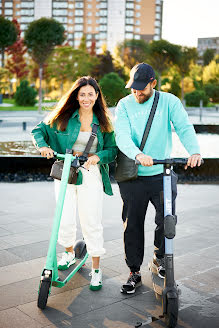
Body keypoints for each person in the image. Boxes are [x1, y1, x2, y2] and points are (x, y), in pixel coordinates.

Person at [114, 63, 202, 294]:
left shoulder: (169, 101)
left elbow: (183, 126)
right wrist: (138, 154)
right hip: (133, 175)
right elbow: (121, 136)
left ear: (153, 83)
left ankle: (159, 257)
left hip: (162, 174)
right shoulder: (124, 105)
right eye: (134, 88)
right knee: (132, 224)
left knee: (167, 219)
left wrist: (194, 151)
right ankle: (134, 271)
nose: (137, 92)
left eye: (142, 88)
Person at [31, 76, 117, 291]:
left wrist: (99, 157)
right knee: (65, 218)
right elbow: (38, 131)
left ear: (97, 96)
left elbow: (112, 150)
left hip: (91, 174)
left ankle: (96, 269)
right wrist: (43, 147)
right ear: (76, 96)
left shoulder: (104, 121)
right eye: (82, 94)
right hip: (65, 172)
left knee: (91, 221)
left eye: (90, 94)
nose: (86, 98)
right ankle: (69, 253)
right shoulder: (64, 116)